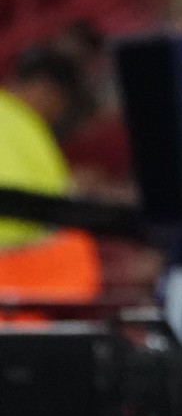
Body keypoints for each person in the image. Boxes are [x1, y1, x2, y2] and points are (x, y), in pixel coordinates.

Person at [0, 47, 102, 309]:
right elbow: (55, 210)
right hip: (19, 270)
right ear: (46, 90)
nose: (56, 116)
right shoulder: (28, 127)